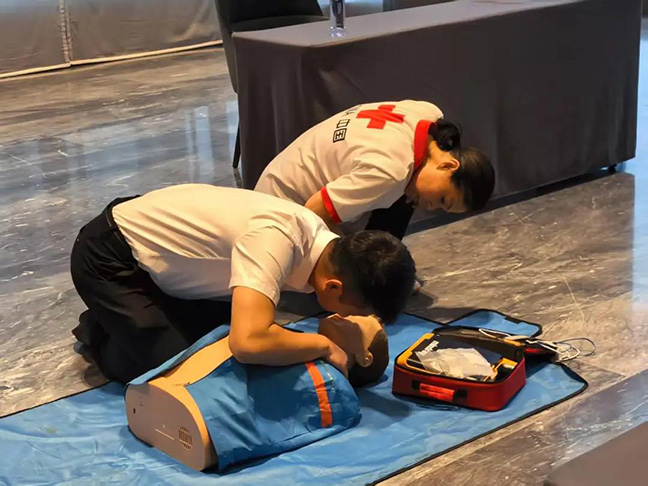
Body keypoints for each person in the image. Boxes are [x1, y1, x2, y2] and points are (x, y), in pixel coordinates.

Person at [70, 184, 415, 383]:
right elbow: (248, 342)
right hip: (110, 257)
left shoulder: (323, 245)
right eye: (354, 313)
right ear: (334, 287)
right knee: (181, 372)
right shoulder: (277, 240)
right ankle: (100, 329)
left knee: (220, 344)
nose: (347, 319)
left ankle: (133, 318)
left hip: (164, 259)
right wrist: (324, 346)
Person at [126, 314, 388, 471]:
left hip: (204, 418)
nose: (344, 316)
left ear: (365, 357)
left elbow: (282, 418)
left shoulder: (335, 386)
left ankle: (199, 415)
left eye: (356, 323)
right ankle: (171, 391)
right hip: (178, 393)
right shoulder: (304, 341)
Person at [255, 100, 495, 240]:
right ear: (448, 165)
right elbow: (313, 212)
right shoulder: (389, 172)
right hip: (277, 214)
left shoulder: (427, 112)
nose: (431, 207)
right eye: (443, 199)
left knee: (407, 194)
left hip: (281, 173)